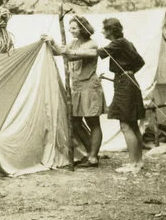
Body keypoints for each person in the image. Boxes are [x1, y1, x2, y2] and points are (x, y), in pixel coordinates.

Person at [46, 17, 146, 173]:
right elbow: (140, 62)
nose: (102, 31)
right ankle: (137, 162)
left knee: (126, 125)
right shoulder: (125, 43)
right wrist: (129, 73)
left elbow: (95, 53)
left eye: (104, 29)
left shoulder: (118, 43)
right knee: (131, 124)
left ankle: (133, 163)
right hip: (124, 81)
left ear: (111, 30)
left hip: (119, 84)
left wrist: (125, 74)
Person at [45, 14, 105, 167]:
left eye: (73, 28)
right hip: (77, 87)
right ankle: (91, 152)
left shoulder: (92, 44)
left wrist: (64, 49)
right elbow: (60, 53)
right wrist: (51, 42)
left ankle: (93, 157)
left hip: (89, 87)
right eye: (70, 28)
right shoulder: (74, 42)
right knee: (74, 121)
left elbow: (71, 56)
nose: (70, 31)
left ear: (82, 29)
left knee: (93, 122)